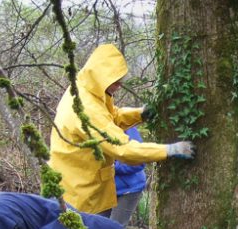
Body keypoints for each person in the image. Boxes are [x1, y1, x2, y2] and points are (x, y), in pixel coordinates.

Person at [49, 43, 196, 215]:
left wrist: (140, 114)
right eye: (115, 80)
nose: (119, 85)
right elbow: (124, 149)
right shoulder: (85, 110)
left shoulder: (87, 88)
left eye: (120, 80)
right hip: (79, 197)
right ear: (101, 76)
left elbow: (110, 117)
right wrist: (170, 149)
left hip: (76, 187)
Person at [108, 125, 148, 229]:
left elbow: (138, 161)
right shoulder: (90, 123)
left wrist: (111, 168)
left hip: (129, 188)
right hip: (107, 189)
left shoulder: (124, 125)